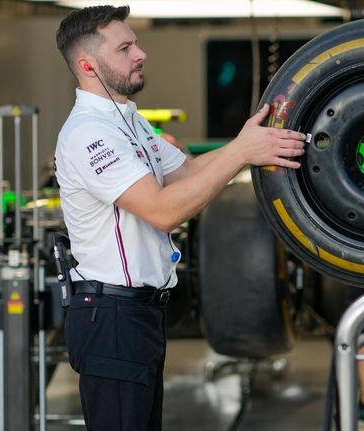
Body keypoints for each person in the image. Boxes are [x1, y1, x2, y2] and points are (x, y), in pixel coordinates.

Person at [53, 5, 307, 431]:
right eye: (125, 47)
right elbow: (164, 210)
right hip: (111, 317)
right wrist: (243, 153)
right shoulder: (89, 133)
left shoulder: (129, 121)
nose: (141, 53)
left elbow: (188, 171)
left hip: (140, 315)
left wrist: (246, 142)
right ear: (88, 65)